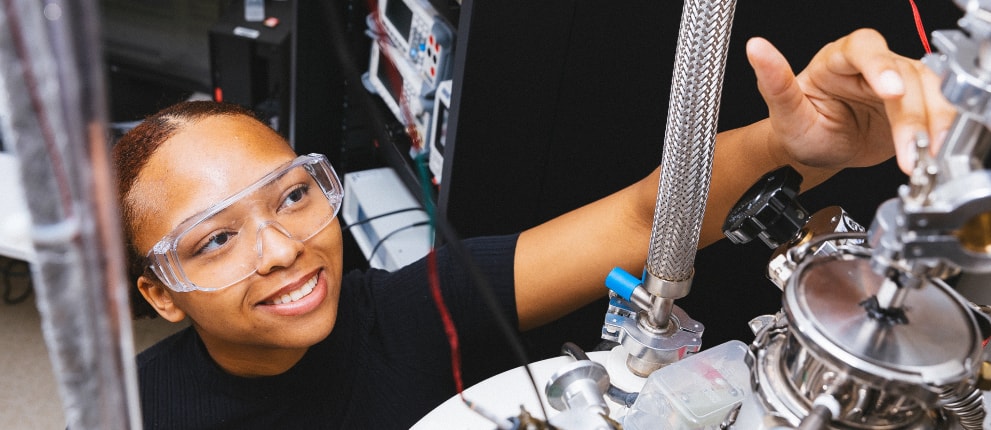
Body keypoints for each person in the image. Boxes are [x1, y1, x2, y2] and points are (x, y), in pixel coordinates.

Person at [113, 29, 954, 429]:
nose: (281, 248)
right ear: (161, 295)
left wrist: (790, 145)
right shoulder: (130, 412)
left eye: (292, 196)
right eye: (215, 240)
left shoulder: (413, 308)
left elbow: (638, 221)